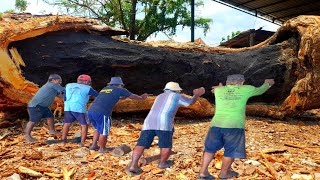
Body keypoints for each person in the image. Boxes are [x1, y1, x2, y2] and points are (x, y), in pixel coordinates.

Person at [198, 74, 274, 180]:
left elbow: (216, 90)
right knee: (231, 150)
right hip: (234, 125)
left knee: (209, 149)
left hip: (215, 124)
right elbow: (260, 90)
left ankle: (203, 173)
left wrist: (220, 87)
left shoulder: (218, 90)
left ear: (227, 82)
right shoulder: (246, 89)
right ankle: (224, 174)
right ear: (242, 82)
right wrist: (268, 84)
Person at [126, 82, 205, 176]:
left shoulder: (159, 96)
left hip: (149, 121)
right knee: (166, 145)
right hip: (164, 122)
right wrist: (196, 95)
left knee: (141, 144)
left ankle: (133, 165)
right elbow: (190, 102)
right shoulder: (177, 96)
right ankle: (162, 164)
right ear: (177, 90)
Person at [87, 77, 148, 153]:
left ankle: (93, 146)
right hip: (102, 112)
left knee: (98, 129)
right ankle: (102, 149)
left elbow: (112, 97)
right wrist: (142, 98)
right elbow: (132, 96)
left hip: (91, 111)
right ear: (120, 85)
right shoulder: (120, 90)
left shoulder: (105, 89)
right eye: (122, 86)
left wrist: (123, 98)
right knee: (104, 131)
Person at [25, 74, 65, 143]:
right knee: (33, 121)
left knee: (50, 117)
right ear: (53, 80)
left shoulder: (52, 88)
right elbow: (65, 90)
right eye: (59, 80)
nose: (60, 82)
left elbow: (60, 95)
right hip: (36, 106)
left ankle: (52, 130)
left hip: (43, 106)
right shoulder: (52, 85)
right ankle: (27, 136)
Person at [61, 74, 99, 146]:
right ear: (86, 82)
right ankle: (82, 143)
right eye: (89, 82)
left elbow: (64, 97)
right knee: (84, 125)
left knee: (67, 124)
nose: (89, 83)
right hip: (79, 108)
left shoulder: (68, 85)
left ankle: (63, 140)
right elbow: (99, 95)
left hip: (68, 107)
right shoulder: (87, 88)